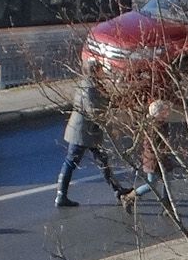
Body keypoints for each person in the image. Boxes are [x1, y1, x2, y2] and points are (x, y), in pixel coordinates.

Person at [54, 75, 144, 207]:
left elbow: (102, 101)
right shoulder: (89, 87)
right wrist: (107, 120)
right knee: (72, 162)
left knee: (102, 160)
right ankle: (61, 195)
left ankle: (117, 190)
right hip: (83, 131)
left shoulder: (88, 84)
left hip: (87, 131)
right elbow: (92, 110)